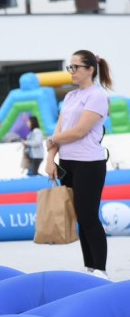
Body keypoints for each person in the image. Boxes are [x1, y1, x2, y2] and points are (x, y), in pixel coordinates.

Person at [46, 49, 112, 280]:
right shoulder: (70, 97)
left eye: (75, 67)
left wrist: (52, 140)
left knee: (88, 216)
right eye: (70, 67)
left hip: (89, 163)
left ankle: (101, 270)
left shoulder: (97, 96)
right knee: (80, 218)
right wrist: (50, 159)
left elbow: (79, 131)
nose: (71, 71)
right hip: (68, 163)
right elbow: (59, 129)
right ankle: (90, 268)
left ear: (90, 69)